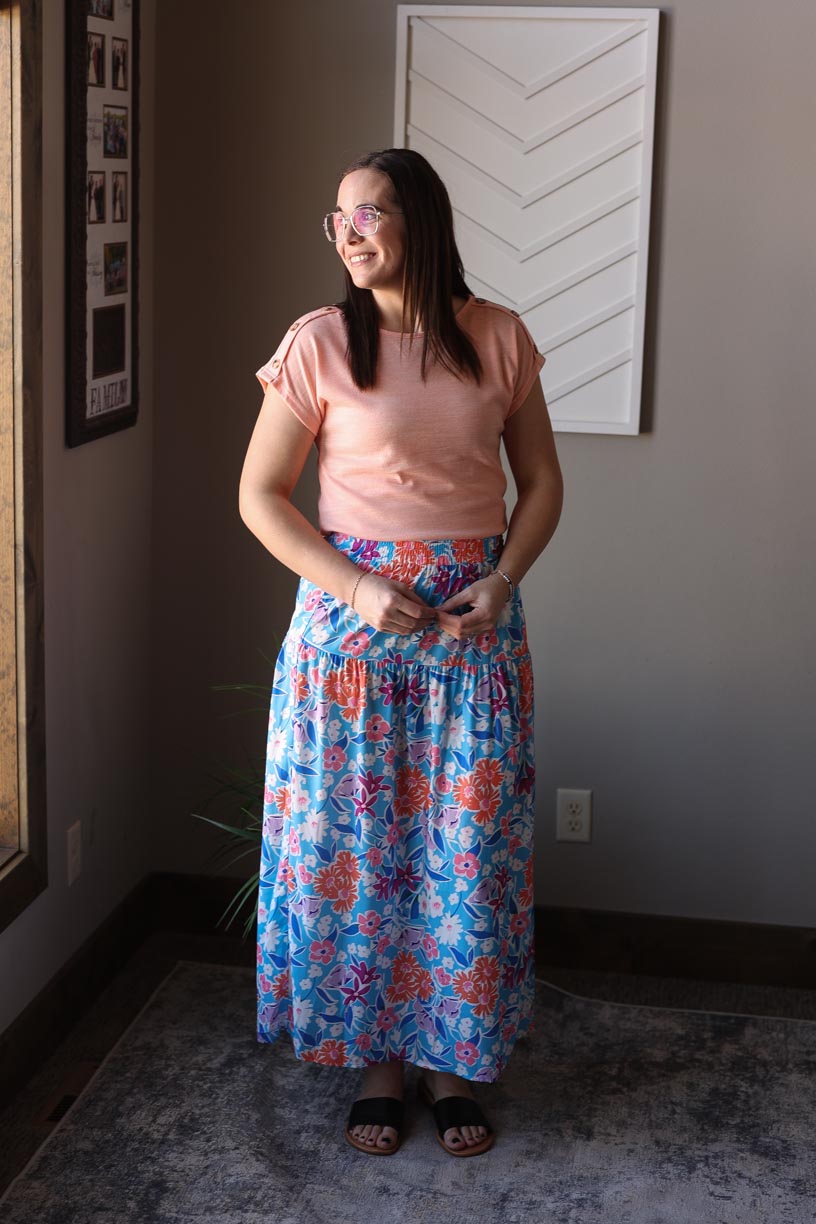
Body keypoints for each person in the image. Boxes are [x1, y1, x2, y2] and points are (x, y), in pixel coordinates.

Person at [239, 148, 563, 1158]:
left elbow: (543, 484)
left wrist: (501, 580)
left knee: (463, 857)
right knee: (362, 855)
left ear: (420, 220)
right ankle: (380, 1063)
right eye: (336, 217)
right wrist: (361, 587)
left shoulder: (498, 338)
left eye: (370, 212)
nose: (349, 231)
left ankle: (451, 1062)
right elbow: (259, 497)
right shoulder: (318, 344)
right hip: (349, 638)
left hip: (473, 632)